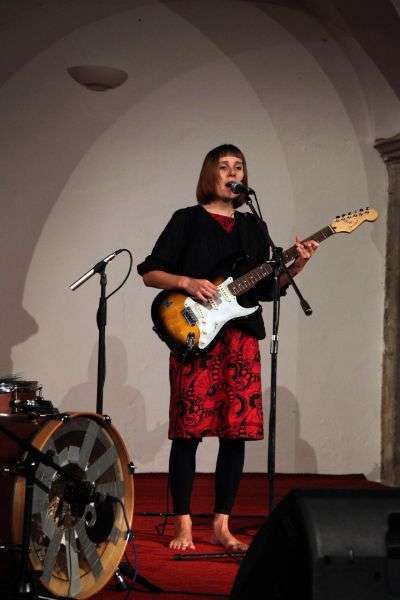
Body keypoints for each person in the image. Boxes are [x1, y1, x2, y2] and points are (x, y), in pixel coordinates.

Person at [137, 144, 318, 552]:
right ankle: (183, 525)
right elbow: (150, 272)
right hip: (196, 338)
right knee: (188, 433)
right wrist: (185, 282)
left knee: (235, 434)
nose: (233, 173)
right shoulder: (187, 220)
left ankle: (222, 524)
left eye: (239, 167)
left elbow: (267, 289)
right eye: (224, 167)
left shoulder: (254, 227)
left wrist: (298, 265)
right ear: (210, 175)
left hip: (240, 340)